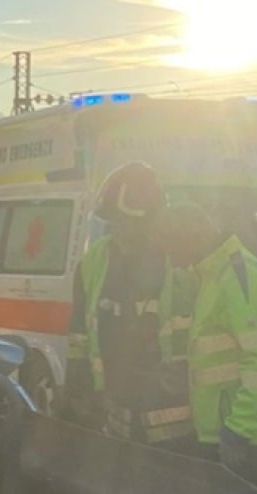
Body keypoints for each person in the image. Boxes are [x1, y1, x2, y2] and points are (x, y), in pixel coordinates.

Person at [149, 202, 257, 490]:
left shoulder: (239, 274)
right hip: (229, 434)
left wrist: (237, 431)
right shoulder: (212, 274)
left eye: (173, 248)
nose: (173, 260)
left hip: (249, 439)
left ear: (194, 235)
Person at [62, 162, 195, 448]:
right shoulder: (94, 262)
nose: (119, 232)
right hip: (118, 416)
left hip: (178, 422)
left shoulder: (181, 260)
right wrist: (77, 382)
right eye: (113, 222)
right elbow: (80, 333)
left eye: (126, 223)